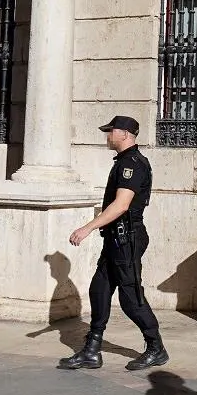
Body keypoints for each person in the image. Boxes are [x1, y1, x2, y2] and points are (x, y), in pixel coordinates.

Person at [58, 115, 167, 372]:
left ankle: (156, 348)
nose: (107, 135)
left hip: (127, 239)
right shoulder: (124, 162)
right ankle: (92, 351)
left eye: (111, 131)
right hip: (116, 239)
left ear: (126, 134)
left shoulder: (133, 164)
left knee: (131, 298)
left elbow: (121, 205)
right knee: (100, 290)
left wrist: (87, 228)